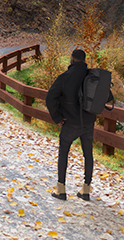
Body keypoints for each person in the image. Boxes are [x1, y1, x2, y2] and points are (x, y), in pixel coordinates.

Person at [45, 49, 111, 201]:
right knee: (88, 154)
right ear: (84, 60)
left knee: (63, 153)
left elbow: (50, 97)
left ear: (72, 60)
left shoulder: (64, 77)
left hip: (70, 123)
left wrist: (57, 118)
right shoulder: (92, 76)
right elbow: (105, 97)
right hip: (88, 123)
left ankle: (61, 190)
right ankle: (85, 190)